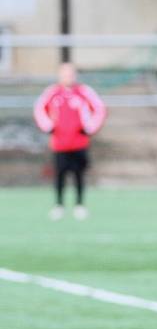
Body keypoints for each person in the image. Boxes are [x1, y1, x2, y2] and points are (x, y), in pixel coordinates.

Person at [33, 62, 106, 220]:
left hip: (79, 143)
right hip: (60, 143)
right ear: (60, 75)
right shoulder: (53, 92)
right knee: (59, 175)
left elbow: (99, 109)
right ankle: (59, 205)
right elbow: (39, 109)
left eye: (70, 74)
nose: (68, 77)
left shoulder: (84, 91)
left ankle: (80, 205)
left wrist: (89, 128)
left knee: (79, 174)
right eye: (65, 74)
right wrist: (49, 127)